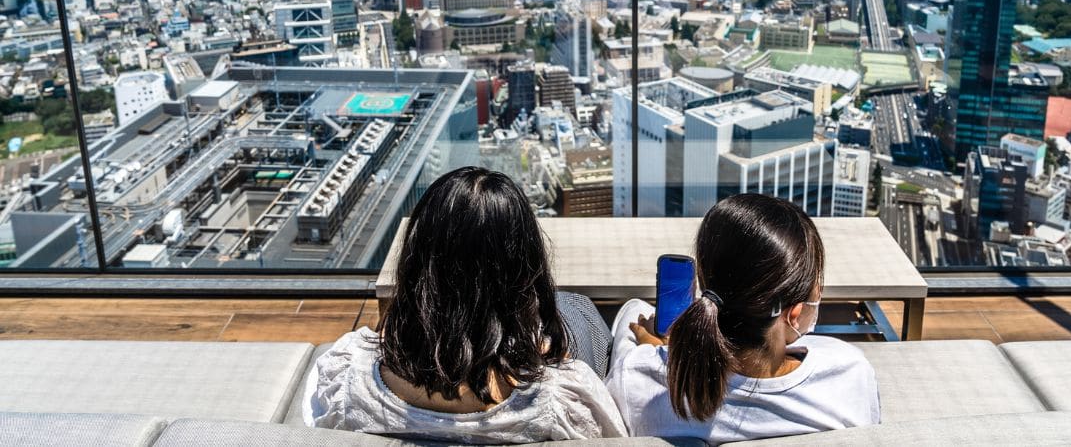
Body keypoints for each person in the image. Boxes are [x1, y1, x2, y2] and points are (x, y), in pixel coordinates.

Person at [306, 166, 626, 442]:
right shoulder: (561, 398)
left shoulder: (345, 377)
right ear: (526, 268)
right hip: (536, 368)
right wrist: (551, 366)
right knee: (576, 308)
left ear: (417, 263)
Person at [606, 193, 880, 444]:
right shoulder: (849, 374)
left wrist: (655, 352)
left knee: (634, 309)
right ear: (794, 314)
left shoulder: (636, 379)